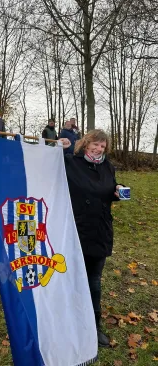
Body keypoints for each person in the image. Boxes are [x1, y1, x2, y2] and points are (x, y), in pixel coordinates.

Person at [61, 129, 122, 348]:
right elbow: (44, 165)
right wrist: (56, 147)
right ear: (85, 144)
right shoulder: (70, 162)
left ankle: (93, 326)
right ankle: (68, 322)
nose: (98, 149)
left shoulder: (108, 166)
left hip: (99, 231)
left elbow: (109, 188)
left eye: (102, 147)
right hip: (75, 229)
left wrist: (117, 190)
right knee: (71, 278)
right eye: (95, 144)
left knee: (94, 281)